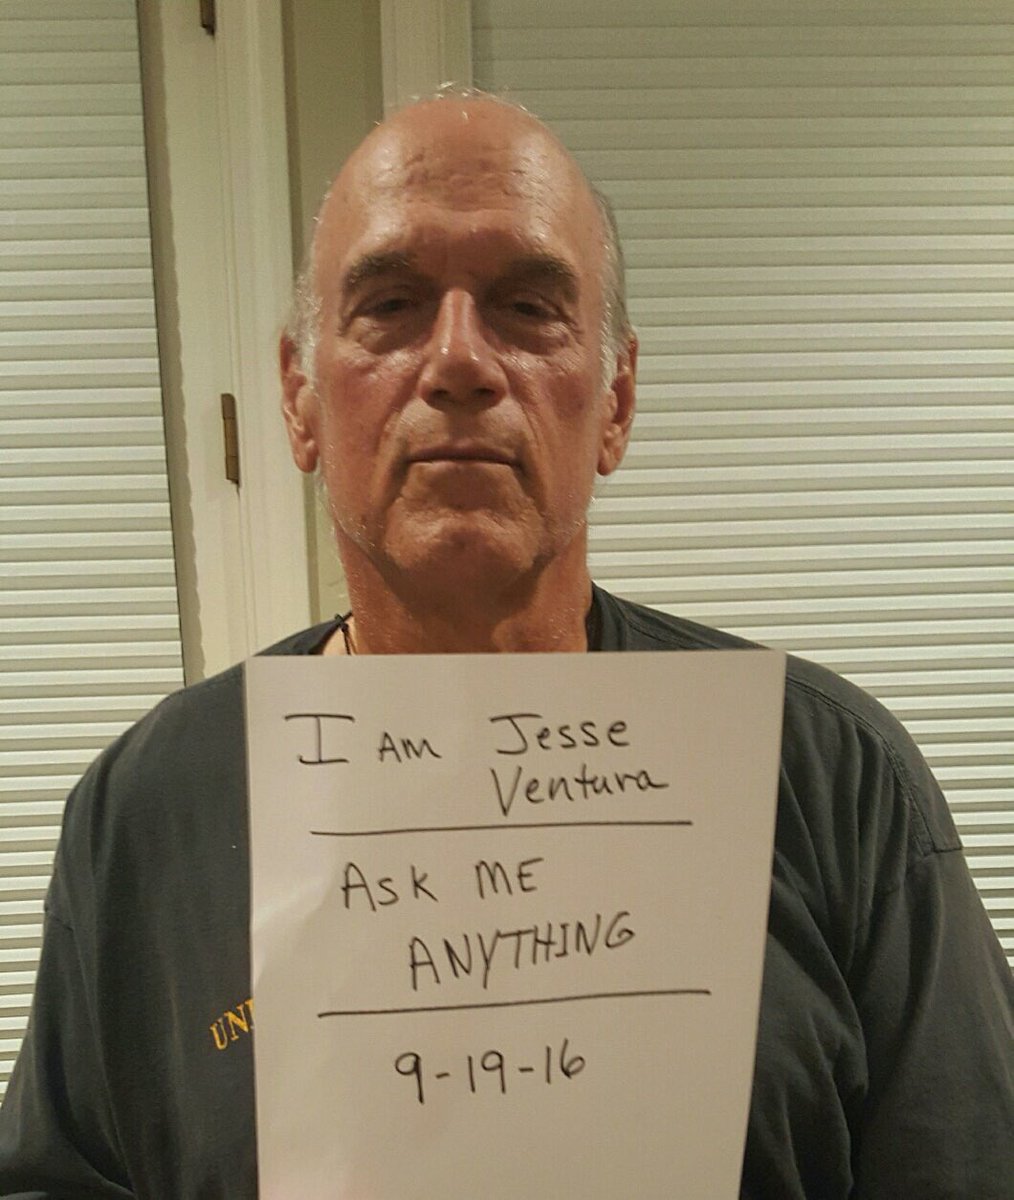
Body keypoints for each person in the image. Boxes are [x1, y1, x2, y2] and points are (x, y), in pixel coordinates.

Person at [0, 92, 1011, 1199]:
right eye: (390, 305)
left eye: (528, 308)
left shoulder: (832, 779)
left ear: (616, 401)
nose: (458, 362)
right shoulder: (147, 813)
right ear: (299, 399)